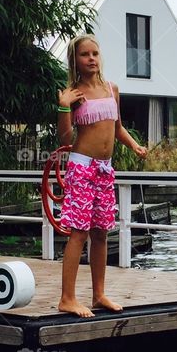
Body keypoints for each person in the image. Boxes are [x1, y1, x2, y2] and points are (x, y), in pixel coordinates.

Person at [56, 34, 147, 317]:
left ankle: (98, 295)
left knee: (101, 233)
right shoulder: (72, 93)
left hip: (105, 169)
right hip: (82, 167)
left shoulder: (112, 89)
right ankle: (67, 298)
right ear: (75, 60)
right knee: (79, 232)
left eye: (95, 53)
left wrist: (134, 145)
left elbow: (117, 127)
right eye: (85, 54)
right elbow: (64, 137)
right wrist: (62, 106)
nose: (92, 58)